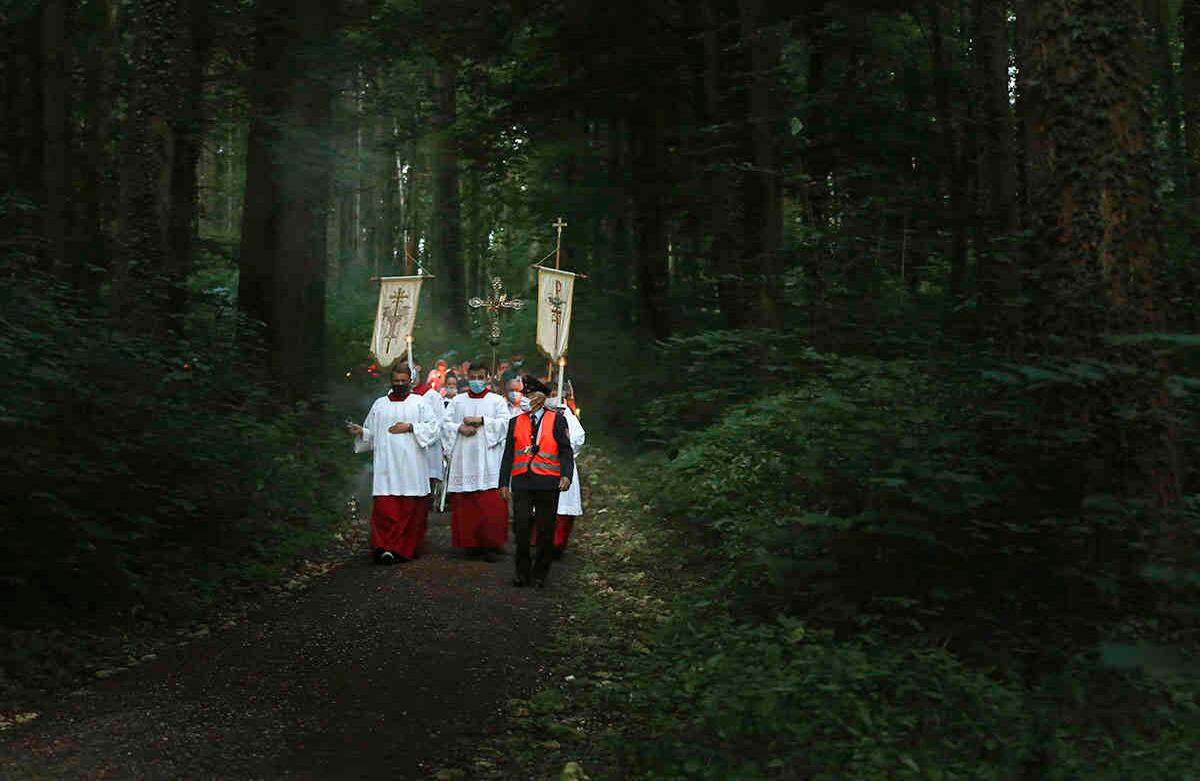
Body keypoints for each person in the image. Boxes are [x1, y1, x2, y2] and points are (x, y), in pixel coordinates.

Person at [347, 364, 440, 563]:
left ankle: (404, 548)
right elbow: (372, 433)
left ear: (410, 381)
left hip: (412, 466)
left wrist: (411, 427)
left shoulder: (420, 403)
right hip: (387, 466)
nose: (399, 384)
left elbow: (433, 428)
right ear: (391, 381)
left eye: (403, 381)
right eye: (396, 381)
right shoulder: (380, 405)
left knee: (409, 511)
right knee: (385, 510)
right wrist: (361, 432)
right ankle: (384, 547)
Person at [499, 376, 574, 588]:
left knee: (545, 530)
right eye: (524, 394)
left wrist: (566, 475)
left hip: (548, 482)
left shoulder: (557, 420)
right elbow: (508, 455)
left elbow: (566, 451)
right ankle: (521, 572)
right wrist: (503, 483)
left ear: (540, 398)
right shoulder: (515, 422)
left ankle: (541, 573)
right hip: (522, 481)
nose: (524, 398)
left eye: (529, 394)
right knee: (521, 528)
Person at [441, 364, 511, 560]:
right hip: (465, 459)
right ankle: (470, 544)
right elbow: (444, 425)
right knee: (467, 504)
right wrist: (459, 428)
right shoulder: (457, 401)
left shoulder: (497, 401)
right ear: (467, 377)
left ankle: (492, 544)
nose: (476, 381)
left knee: (491, 505)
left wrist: (482, 420)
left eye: (480, 377)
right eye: (473, 377)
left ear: (487, 378)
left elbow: (507, 425)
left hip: (489, 459)